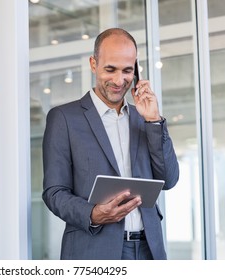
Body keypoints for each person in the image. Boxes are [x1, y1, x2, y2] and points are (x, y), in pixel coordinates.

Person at [42, 28, 179, 260]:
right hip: (94, 251)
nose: (119, 80)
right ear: (93, 64)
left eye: (127, 71)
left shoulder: (143, 118)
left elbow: (169, 179)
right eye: (110, 69)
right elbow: (54, 192)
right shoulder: (64, 118)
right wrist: (94, 214)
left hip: (149, 250)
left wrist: (154, 121)